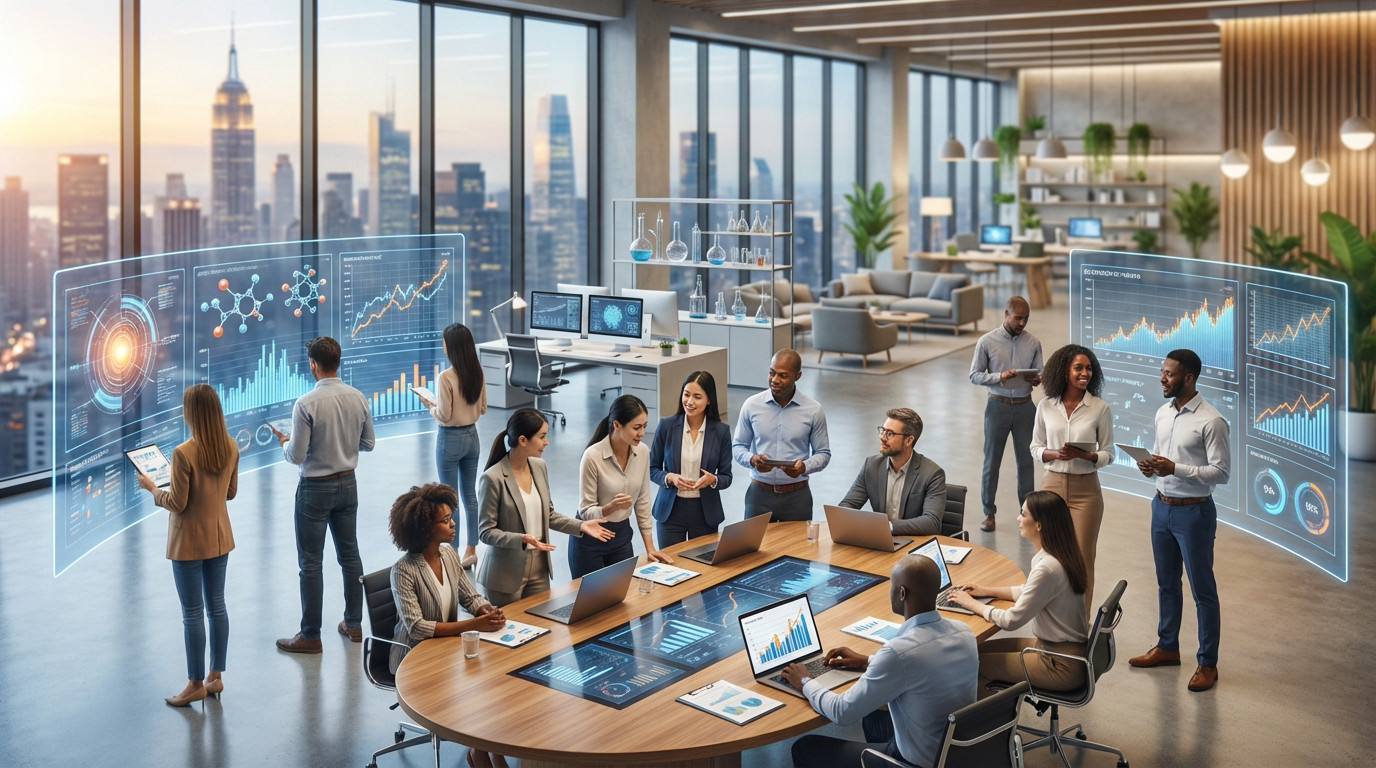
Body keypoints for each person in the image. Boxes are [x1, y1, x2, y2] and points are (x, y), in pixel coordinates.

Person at [780, 556, 978, 768]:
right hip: (956, 753)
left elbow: (841, 711)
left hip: (919, 762)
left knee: (804, 747)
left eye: (891, 585)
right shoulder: (964, 632)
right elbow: (925, 662)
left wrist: (805, 681)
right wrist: (867, 661)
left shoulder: (898, 652)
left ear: (902, 593)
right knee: (873, 716)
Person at [1128, 348, 1230, 693]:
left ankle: (1207, 663)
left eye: (1169, 374)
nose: (1162, 378)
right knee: (1166, 583)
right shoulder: (1162, 413)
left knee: (1203, 591)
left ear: (1189, 378)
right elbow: (1164, 459)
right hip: (1161, 507)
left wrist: (1175, 468)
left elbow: (1221, 472)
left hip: (1194, 513)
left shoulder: (1211, 420)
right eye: (1162, 372)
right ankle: (1168, 647)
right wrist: (1151, 468)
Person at [386, 483, 509, 768]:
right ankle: (480, 752)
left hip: (446, 649)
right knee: (475, 688)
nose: (453, 524)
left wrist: (485, 609)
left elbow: (469, 594)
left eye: (451, 517)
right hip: (413, 656)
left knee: (494, 679)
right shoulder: (403, 570)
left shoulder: (450, 555)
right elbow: (417, 627)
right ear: (425, 527)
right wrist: (474, 626)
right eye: (445, 521)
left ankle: (490, 750)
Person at [136, 383, 239, 707]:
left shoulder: (184, 453)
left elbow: (178, 503)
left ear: (192, 413)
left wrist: (153, 488)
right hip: (219, 537)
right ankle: (215, 677)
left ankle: (195, 684)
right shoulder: (231, 446)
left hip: (188, 543)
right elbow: (230, 493)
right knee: (217, 606)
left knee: (192, 613)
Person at [274, 336, 376, 654]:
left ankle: (310, 635)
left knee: (311, 563)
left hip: (315, 490)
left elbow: (296, 455)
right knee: (350, 556)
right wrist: (343, 443)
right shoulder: (358, 397)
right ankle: (354, 624)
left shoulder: (306, 404)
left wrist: (284, 443)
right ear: (338, 361)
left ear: (314, 365)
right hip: (348, 485)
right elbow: (369, 443)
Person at [947, 490, 1091, 697]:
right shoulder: (1059, 555)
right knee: (971, 652)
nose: (1018, 518)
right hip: (1058, 650)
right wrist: (985, 590)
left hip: (1059, 664)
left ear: (1039, 524)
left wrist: (972, 604)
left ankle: (989, 726)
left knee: (973, 664)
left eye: (1023, 514)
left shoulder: (1047, 568)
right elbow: (1027, 591)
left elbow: (1011, 621)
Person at [477, 408, 613, 606]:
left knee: (541, 629)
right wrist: (522, 539)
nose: (546, 442)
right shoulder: (492, 478)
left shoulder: (539, 467)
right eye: (542, 437)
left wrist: (580, 526)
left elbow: (548, 515)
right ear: (523, 440)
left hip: (539, 569)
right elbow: (486, 532)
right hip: (505, 575)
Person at [1029, 344, 1114, 608]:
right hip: (1051, 485)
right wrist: (1053, 454)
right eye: (1078, 368)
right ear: (1064, 371)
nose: (1084, 373)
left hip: (1085, 491)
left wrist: (1086, 456)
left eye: (1089, 368)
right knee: (1048, 558)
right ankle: (1050, 617)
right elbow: (1035, 446)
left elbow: (1108, 452)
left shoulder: (1099, 408)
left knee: (1082, 559)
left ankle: (1080, 625)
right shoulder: (1045, 405)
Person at [569, 395, 672, 578]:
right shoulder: (592, 456)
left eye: (644, 426)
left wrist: (650, 548)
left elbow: (642, 501)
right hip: (590, 538)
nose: (642, 433)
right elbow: (585, 510)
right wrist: (609, 508)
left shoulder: (643, 452)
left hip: (621, 536)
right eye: (636, 427)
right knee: (592, 603)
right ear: (617, 425)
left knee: (621, 599)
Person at [414, 323, 487, 569]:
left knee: (449, 499)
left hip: (450, 439)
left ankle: (452, 553)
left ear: (451, 347)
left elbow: (444, 415)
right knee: (469, 496)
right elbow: (483, 408)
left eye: (445, 342)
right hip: (472, 437)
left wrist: (430, 405)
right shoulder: (478, 373)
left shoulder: (445, 377)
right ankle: (471, 549)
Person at [968, 296, 1043, 532]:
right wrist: (999, 377)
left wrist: (1037, 378)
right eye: (1018, 318)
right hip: (997, 407)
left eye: (1026, 319)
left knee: (1026, 463)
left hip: (1025, 407)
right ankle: (988, 513)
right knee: (992, 462)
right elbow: (974, 375)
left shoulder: (1033, 342)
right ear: (1006, 314)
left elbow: (1039, 373)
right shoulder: (986, 341)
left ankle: (1028, 513)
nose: (1022, 323)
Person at [732, 349, 831, 521]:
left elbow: (823, 453)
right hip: (759, 495)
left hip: (797, 497)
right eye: (772, 373)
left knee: (797, 548)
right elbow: (738, 445)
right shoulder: (751, 405)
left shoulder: (813, 410)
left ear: (797, 376)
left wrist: (804, 467)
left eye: (783, 376)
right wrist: (752, 460)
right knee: (754, 547)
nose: (775, 380)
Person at [649, 371, 734, 547]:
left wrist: (713, 480)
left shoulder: (721, 431)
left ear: (709, 400)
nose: (689, 402)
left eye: (697, 397)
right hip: (671, 510)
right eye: (686, 395)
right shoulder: (666, 426)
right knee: (670, 566)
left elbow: (727, 477)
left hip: (704, 512)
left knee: (703, 567)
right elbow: (652, 468)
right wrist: (670, 477)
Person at [837, 407, 947, 536]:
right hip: (882, 542)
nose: (882, 438)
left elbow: (931, 522)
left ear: (909, 440)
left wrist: (886, 527)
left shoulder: (932, 474)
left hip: (914, 545)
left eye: (890, 434)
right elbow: (848, 505)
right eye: (882, 431)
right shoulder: (871, 466)